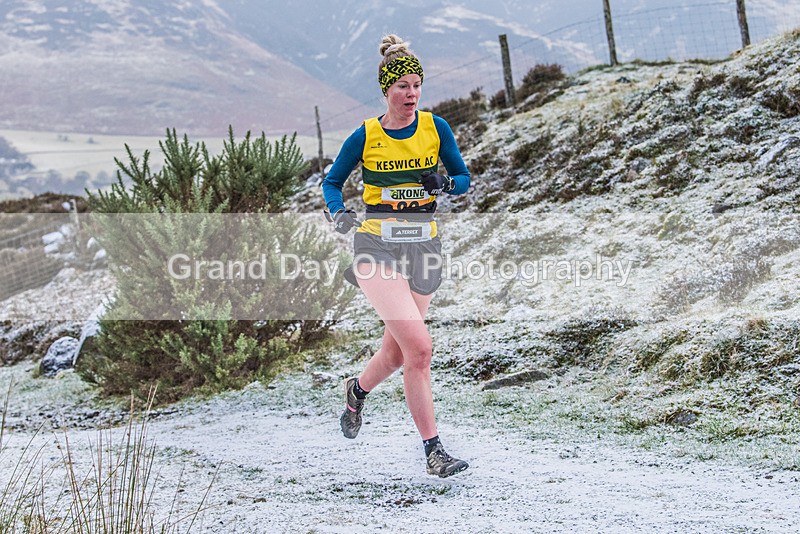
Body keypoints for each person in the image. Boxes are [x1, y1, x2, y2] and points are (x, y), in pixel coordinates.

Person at [322, 34, 471, 478]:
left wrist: (445, 186)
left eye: (416, 86)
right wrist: (340, 214)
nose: (411, 94)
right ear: (386, 90)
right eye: (402, 87)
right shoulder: (366, 134)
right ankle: (434, 451)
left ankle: (357, 391)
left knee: (396, 354)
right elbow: (331, 182)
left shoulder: (435, 128)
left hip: (423, 245)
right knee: (420, 350)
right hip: (375, 246)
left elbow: (463, 178)